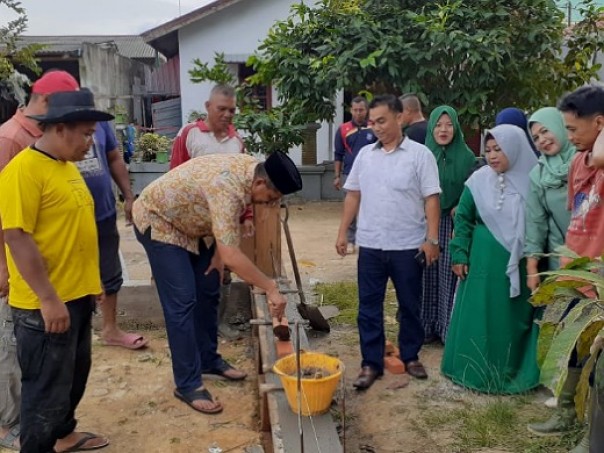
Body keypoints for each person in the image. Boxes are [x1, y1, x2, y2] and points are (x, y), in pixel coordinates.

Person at [132, 151, 302, 413]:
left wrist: (220, 254)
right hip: (160, 221)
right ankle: (187, 384)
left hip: (193, 222)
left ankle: (208, 359)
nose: (269, 204)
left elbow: (226, 228)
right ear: (260, 184)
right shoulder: (228, 187)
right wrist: (270, 287)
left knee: (209, 286)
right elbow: (232, 250)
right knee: (183, 301)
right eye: (271, 198)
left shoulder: (251, 169)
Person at [0, 71, 112, 452]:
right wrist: (48, 298)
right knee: (45, 394)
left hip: (76, 295)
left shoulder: (66, 168)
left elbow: (77, 230)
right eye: (84, 133)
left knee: (74, 378)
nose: (90, 141)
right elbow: (17, 237)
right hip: (44, 307)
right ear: (59, 128)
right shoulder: (23, 172)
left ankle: (65, 436)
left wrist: (92, 281)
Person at [336, 94, 441, 390]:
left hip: (408, 246)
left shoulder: (420, 155)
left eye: (382, 120)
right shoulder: (365, 155)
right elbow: (353, 194)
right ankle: (371, 363)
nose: (376, 127)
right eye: (372, 122)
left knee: (410, 305)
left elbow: (431, 198)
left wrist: (431, 239)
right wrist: (343, 232)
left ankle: (410, 356)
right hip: (371, 245)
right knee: (368, 307)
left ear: (399, 118)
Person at [528, 85, 604, 453]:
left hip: (599, 278)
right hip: (575, 270)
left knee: (599, 363)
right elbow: (576, 210)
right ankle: (567, 413)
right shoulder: (577, 161)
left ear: (600, 124)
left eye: (573, 129)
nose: (568, 137)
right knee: (572, 349)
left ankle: (594, 432)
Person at [441, 124, 540, 394]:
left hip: (517, 264)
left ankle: (510, 373)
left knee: (508, 319)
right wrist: (459, 253)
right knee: (479, 315)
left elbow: (539, 224)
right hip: (481, 264)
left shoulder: (532, 181)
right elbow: (462, 218)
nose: (492, 155)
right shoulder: (477, 182)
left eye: (499, 149)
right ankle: (471, 372)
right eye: (488, 150)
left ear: (515, 149)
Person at [171, 84, 253, 343]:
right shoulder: (189, 135)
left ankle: (218, 324)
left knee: (222, 272)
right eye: (222, 109)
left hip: (223, 222)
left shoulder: (236, 142)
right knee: (191, 274)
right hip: (191, 221)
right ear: (208, 107)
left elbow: (242, 183)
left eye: (232, 110)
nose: (227, 114)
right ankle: (192, 327)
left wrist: (247, 216)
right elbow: (174, 176)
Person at [421, 106, 476, 344]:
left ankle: (446, 329)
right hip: (424, 223)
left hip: (453, 224)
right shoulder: (421, 155)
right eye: (438, 125)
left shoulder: (467, 158)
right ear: (431, 127)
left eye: (449, 125)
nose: (443, 130)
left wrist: (460, 205)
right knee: (424, 273)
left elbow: (472, 189)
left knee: (447, 274)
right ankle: (423, 328)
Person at [524, 107, 575, 290]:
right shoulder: (538, 175)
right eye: (536, 138)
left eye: (545, 131)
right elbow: (535, 222)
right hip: (562, 261)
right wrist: (532, 269)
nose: (542, 140)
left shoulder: (588, 159)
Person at [333, 96, 376, 255]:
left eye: (361, 110)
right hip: (349, 174)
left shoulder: (374, 128)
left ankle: (366, 240)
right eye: (355, 110)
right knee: (350, 209)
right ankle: (351, 240)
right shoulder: (343, 129)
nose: (358, 113)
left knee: (369, 209)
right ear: (351, 110)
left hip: (372, 175)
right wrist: (337, 176)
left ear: (366, 111)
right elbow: (338, 154)